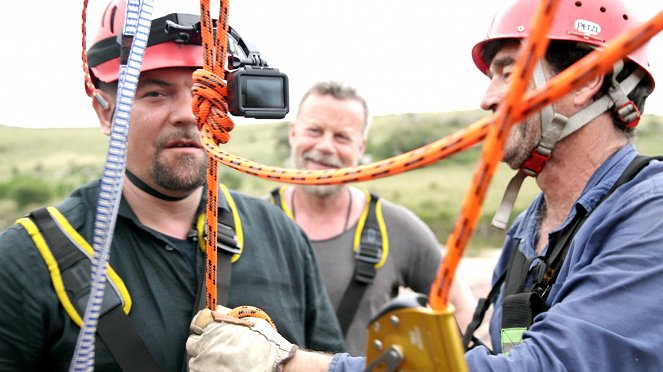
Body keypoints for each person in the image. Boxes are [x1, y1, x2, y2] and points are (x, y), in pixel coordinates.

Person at [184, 0, 663, 371]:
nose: (487, 98)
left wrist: (286, 363)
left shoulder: (650, 218)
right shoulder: (529, 229)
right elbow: (492, 351)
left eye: (509, 72)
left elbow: (542, 365)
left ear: (584, 83)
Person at [0, 1, 344, 370]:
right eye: (155, 93)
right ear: (105, 112)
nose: (187, 113)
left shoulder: (281, 236)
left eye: (204, 89)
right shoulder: (26, 260)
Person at [268, 81, 475, 355]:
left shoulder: (397, 228)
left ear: (360, 147)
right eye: (314, 131)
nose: (326, 146)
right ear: (293, 134)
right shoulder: (256, 222)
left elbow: (460, 310)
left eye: (342, 137)